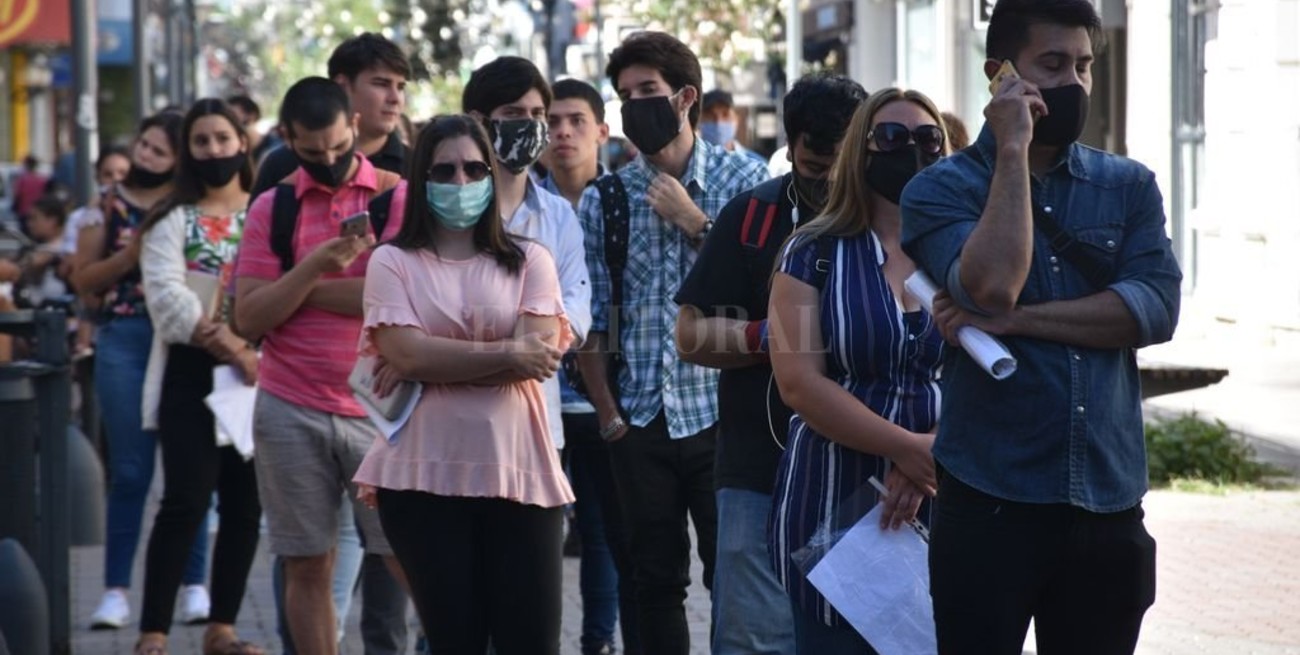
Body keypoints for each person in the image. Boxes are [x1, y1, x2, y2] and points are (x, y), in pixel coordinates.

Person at [899, 1, 1182, 653]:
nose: (1073, 81)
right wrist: (1012, 150)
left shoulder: (1127, 186)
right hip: (991, 498)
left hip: (1107, 498)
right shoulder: (940, 189)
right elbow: (991, 284)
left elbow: (1152, 310)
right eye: (1052, 64)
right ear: (999, 74)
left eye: (1083, 65)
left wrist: (1017, 320)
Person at [576, 31, 769, 655]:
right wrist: (609, 416)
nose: (636, 105)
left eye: (649, 91)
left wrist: (696, 222)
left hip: (724, 416)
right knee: (652, 581)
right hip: (640, 421)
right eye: (625, 95)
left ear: (685, 97)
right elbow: (594, 320)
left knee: (734, 579)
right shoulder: (607, 196)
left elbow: (772, 294)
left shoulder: (748, 180)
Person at [353, 113, 573, 654]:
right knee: (455, 642)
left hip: (519, 472)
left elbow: (538, 357)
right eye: (444, 170)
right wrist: (507, 351)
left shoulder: (531, 259)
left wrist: (433, 359)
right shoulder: (392, 261)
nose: (460, 181)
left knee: (533, 644)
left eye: (474, 169)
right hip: (421, 478)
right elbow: (405, 353)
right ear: (420, 178)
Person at [675, 72, 867, 655]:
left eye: (842, 166)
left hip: (871, 477)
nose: (829, 183)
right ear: (789, 147)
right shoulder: (753, 215)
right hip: (759, 472)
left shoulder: (899, 216)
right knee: (755, 643)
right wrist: (777, 336)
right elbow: (690, 335)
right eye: (814, 168)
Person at [248, 34, 414, 655]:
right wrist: (318, 264)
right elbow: (248, 317)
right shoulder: (274, 202)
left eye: (340, 148)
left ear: (353, 127)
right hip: (289, 403)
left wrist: (292, 291)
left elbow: (394, 298)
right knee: (306, 562)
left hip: (380, 407)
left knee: (406, 555)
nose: (329, 161)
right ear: (288, 141)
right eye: (312, 152)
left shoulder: (397, 191)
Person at [768, 88, 949, 653]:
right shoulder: (809, 252)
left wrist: (929, 455)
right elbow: (799, 383)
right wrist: (906, 449)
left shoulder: (961, 255)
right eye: (891, 137)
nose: (911, 150)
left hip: (946, 490)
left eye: (927, 139)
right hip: (832, 500)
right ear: (860, 152)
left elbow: (994, 374)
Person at [72, 112, 213, 631]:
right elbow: (84, 281)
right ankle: (115, 590)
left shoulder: (191, 207)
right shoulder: (106, 206)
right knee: (131, 471)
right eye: (144, 144)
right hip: (126, 338)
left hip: (181, 337)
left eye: (159, 150)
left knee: (189, 472)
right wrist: (133, 253)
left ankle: (195, 584)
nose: (145, 155)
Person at [134, 98, 264, 655]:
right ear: (188, 152)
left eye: (222, 138)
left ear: (242, 142)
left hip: (260, 374)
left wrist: (249, 352)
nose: (214, 150)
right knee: (185, 500)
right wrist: (229, 346)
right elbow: (166, 298)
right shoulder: (171, 219)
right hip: (193, 370)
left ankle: (222, 628)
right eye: (201, 141)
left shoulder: (268, 211)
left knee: (245, 506)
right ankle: (153, 632)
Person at [461, 56, 591, 456]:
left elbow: (577, 306)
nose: (531, 125)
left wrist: (531, 344)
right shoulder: (451, 210)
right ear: (479, 121)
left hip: (538, 426)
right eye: (514, 114)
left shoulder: (558, 215)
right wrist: (511, 348)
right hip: (458, 421)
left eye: (537, 114)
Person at [542, 77, 628, 655]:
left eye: (576, 121)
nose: (563, 132)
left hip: (604, 396)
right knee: (538, 528)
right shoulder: (522, 204)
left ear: (601, 130)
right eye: (552, 122)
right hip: (538, 393)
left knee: (601, 531)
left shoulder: (621, 202)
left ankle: (597, 640)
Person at [698, 90, 767, 165]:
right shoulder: (691, 162)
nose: (718, 122)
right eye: (710, 115)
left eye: (725, 114)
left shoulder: (756, 164)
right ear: (699, 120)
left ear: (736, 119)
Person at [227, 95, 282, 167]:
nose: (229, 121)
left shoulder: (275, 149)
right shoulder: (235, 152)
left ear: (252, 116)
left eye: (233, 116)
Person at [12, 154, 50, 231]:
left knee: (24, 233)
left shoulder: (22, 180)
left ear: (26, 166)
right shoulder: (42, 180)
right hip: (38, 212)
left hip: (24, 211)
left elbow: (17, 195)